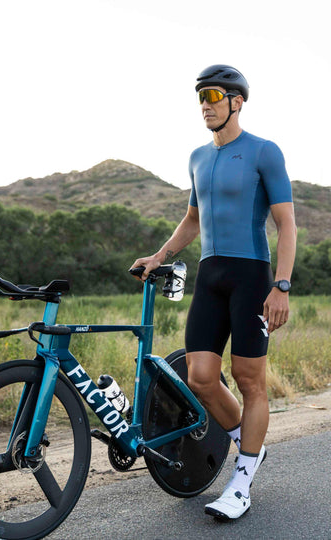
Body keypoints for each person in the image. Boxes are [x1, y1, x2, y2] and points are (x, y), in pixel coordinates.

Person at [131, 64, 296, 520]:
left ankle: (240, 485)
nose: (206, 104)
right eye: (201, 97)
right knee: (201, 377)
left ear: (237, 102)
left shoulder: (264, 151)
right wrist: (159, 256)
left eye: (214, 95)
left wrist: (281, 285)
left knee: (249, 379)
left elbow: (286, 223)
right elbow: (193, 220)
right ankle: (249, 446)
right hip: (210, 273)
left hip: (251, 275)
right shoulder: (198, 158)